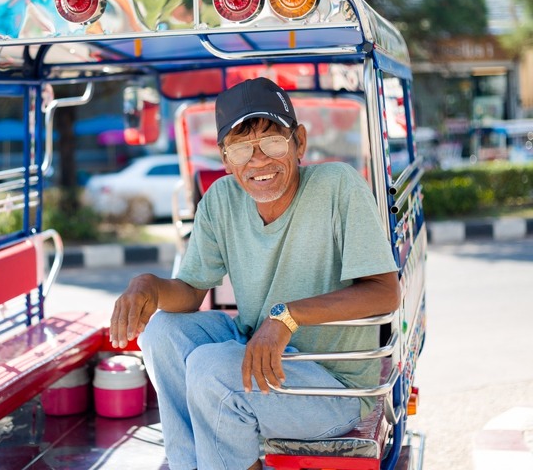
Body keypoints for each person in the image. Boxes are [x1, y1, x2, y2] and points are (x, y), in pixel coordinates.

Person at [109, 77, 400, 470]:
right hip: (260, 353)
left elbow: (384, 293)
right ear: (226, 158)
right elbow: (192, 290)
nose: (258, 160)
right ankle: (191, 464)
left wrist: (287, 317)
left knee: (212, 370)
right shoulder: (222, 200)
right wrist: (146, 285)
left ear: (299, 142)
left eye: (273, 142)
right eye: (242, 147)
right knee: (162, 332)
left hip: (333, 389)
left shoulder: (337, 185)